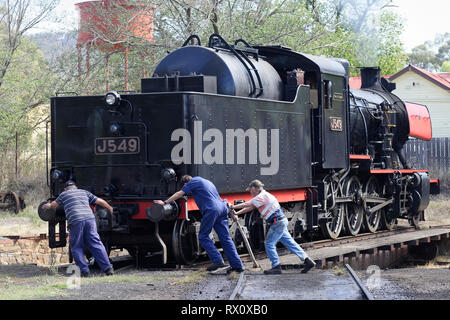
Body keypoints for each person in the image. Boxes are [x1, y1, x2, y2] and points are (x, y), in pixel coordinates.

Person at [154, 175, 244, 274]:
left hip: (211, 210)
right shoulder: (207, 182)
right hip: (222, 208)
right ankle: (237, 266)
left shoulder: (192, 182)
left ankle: (217, 260)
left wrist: (165, 202)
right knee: (225, 238)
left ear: (185, 184)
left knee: (203, 236)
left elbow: (180, 193)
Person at [231, 180, 316, 275]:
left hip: (277, 222)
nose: (250, 192)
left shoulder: (261, 196)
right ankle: (308, 261)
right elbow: (250, 207)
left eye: (250, 190)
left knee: (269, 243)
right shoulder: (264, 195)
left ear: (254, 189)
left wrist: (232, 207)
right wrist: (237, 213)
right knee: (290, 243)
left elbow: (247, 204)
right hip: (280, 221)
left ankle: (276, 267)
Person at [43, 180, 114, 277]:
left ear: (65, 189)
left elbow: (53, 205)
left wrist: (45, 206)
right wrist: (109, 207)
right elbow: (99, 201)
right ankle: (108, 268)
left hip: (76, 221)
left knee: (76, 246)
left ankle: (84, 271)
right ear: (76, 187)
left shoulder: (64, 194)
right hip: (90, 219)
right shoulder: (84, 192)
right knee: (96, 243)